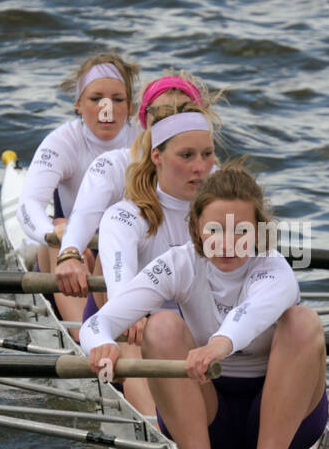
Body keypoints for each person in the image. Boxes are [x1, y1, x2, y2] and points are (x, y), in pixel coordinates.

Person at [80, 162, 328, 449]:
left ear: (259, 230)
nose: (226, 243)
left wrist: (217, 346)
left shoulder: (275, 269)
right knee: (161, 327)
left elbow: (249, 315)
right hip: (207, 416)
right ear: (197, 227)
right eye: (215, 230)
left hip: (289, 428)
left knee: (302, 322)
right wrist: (101, 345)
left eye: (241, 231)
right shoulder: (178, 263)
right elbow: (96, 323)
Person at [53, 72, 218, 305]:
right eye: (161, 113)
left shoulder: (214, 176)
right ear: (144, 120)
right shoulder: (112, 165)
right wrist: (70, 253)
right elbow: (84, 215)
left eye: (184, 110)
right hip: (120, 277)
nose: (173, 118)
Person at [16, 52, 139, 325]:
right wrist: (56, 234)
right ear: (78, 105)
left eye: (117, 100)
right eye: (96, 99)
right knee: (61, 233)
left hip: (127, 253)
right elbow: (28, 206)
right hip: (73, 259)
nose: (106, 107)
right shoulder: (64, 141)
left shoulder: (145, 141)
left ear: (130, 107)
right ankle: (83, 336)